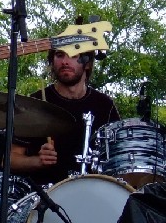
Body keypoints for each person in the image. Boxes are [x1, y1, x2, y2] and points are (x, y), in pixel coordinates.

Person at [10, 47, 121, 186]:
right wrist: (36, 161)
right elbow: (9, 158)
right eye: (60, 55)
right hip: (43, 198)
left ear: (87, 64)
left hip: (92, 194)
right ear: (52, 62)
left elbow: (119, 160)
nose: (65, 62)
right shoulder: (35, 102)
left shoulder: (104, 105)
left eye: (74, 56)